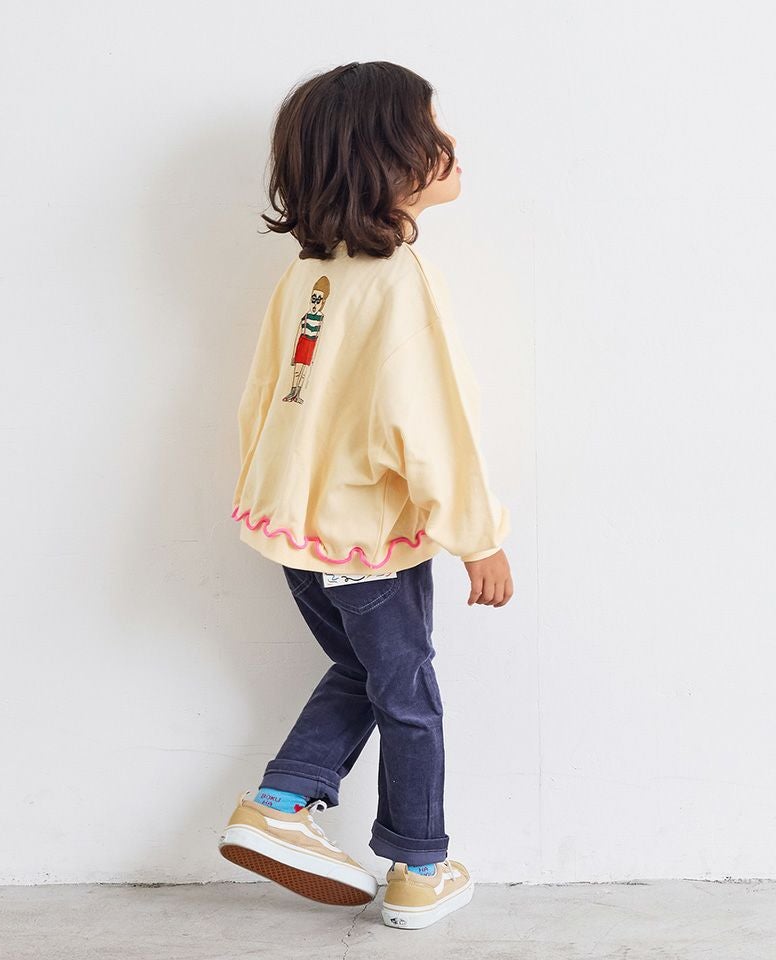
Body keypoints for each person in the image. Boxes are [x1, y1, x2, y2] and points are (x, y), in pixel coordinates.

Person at [218, 60, 515, 931]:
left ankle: (284, 799)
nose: (449, 142)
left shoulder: (311, 276)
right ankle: (418, 867)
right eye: (430, 129)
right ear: (384, 159)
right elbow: (432, 426)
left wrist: (272, 500)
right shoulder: (397, 283)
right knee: (409, 696)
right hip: (368, 541)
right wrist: (478, 537)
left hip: (297, 533)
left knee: (363, 672)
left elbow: (263, 399)